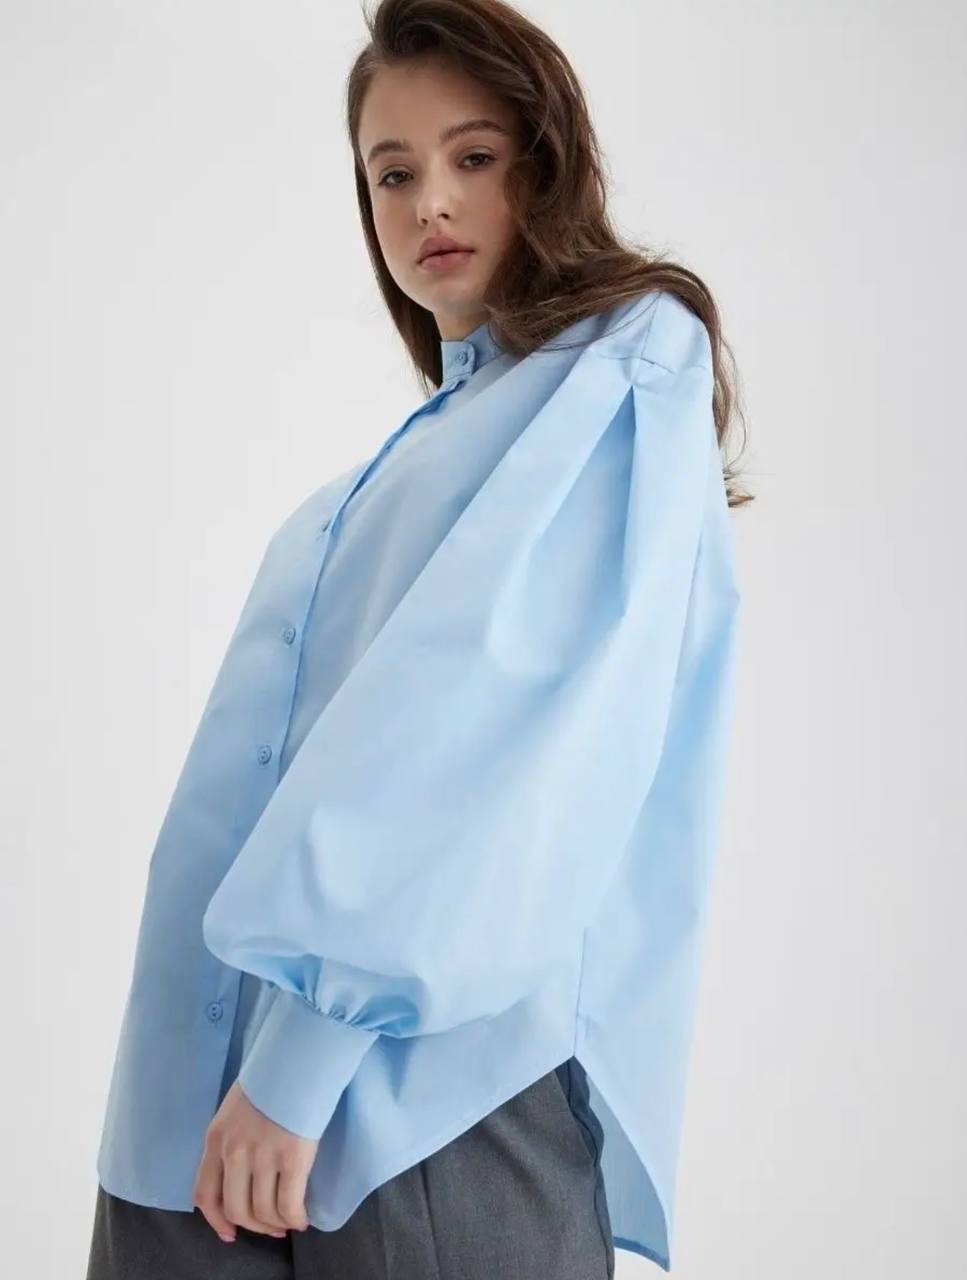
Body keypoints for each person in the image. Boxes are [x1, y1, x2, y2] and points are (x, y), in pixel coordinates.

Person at [86, 0, 752, 1276]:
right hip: (187, 1121)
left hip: (405, 1106)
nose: (428, 202)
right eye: (391, 173)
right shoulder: (359, 488)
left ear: (546, 163)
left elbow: (488, 733)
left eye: (473, 156)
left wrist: (303, 1058)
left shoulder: (620, 365)